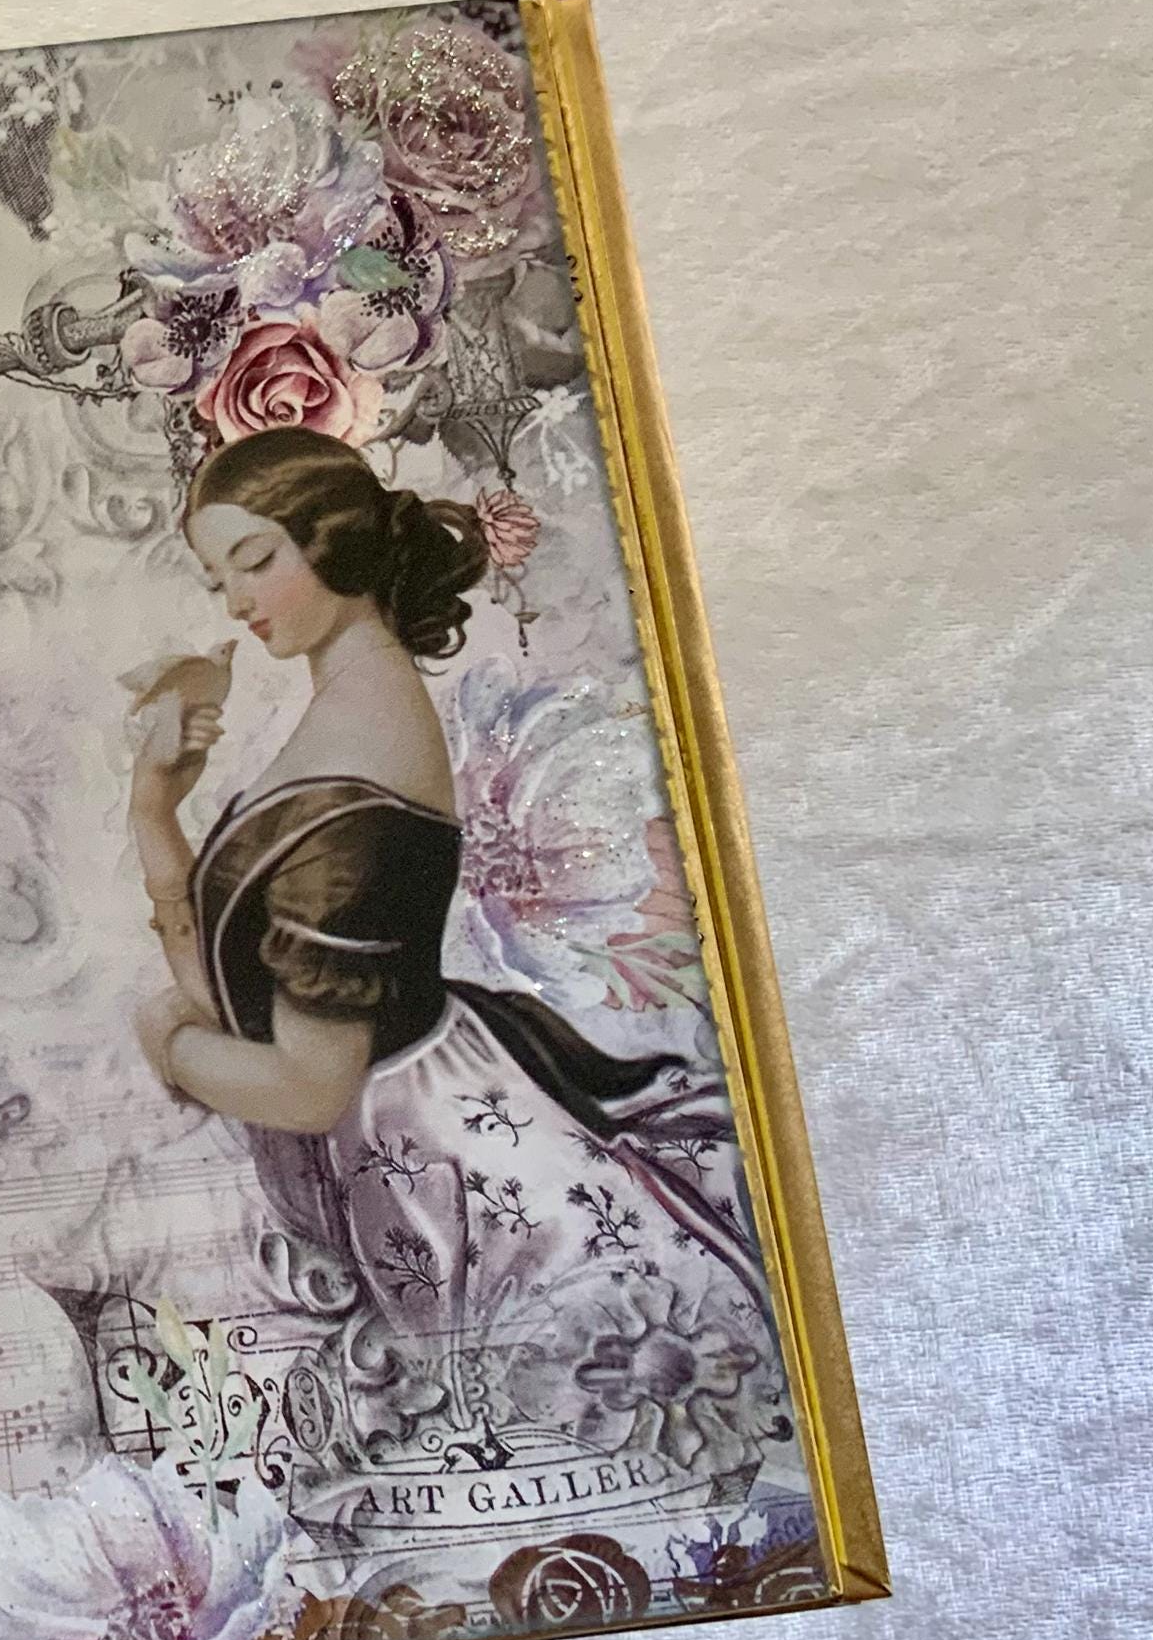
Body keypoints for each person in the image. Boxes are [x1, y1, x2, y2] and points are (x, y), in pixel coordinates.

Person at [127, 425, 784, 1476]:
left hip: (439, 1164)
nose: (240, 602)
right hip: (407, 1129)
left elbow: (307, 1086)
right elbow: (248, 1002)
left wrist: (166, 1041)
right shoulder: (350, 706)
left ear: (333, 540)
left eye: (256, 560)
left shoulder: (357, 774)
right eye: (221, 580)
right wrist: (154, 814)